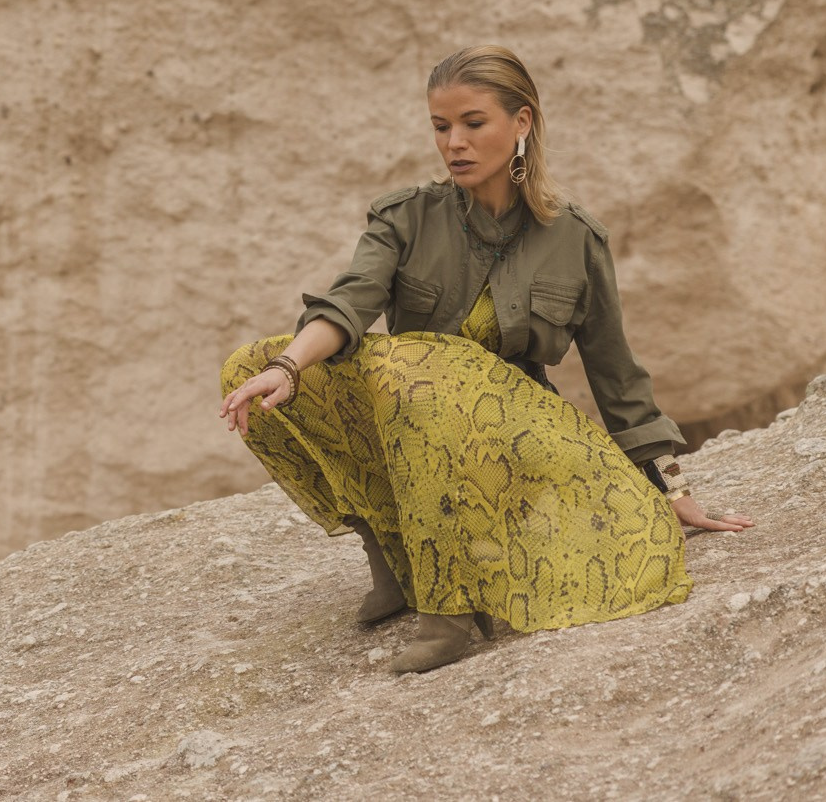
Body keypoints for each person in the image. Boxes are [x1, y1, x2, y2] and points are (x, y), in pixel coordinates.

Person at [218, 44, 754, 674]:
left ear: (521, 123)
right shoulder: (405, 217)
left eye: (474, 123)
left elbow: (615, 370)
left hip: (512, 426)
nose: (454, 144)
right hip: (410, 407)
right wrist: (285, 369)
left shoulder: (575, 238)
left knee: (413, 385)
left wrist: (671, 487)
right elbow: (349, 303)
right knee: (251, 367)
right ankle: (391, 558)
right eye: (441, 127)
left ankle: (447, 613)